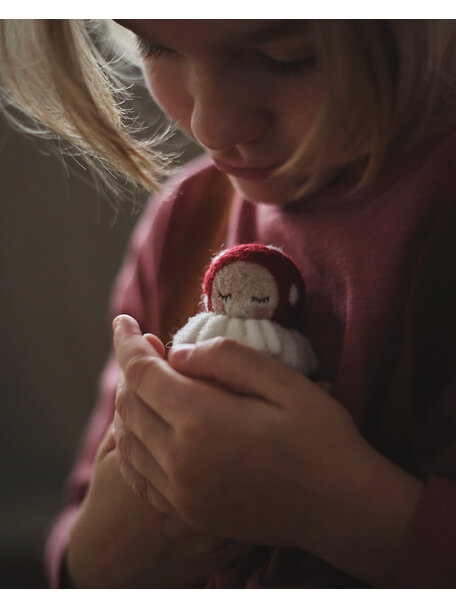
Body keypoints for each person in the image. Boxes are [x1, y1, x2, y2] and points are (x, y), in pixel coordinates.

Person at [1, 19, 456, 588]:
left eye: (288, 57)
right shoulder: (185, 224)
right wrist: (108, 551)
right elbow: (77, 543)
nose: (208, 125)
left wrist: (352, 516)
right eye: (156, 44)